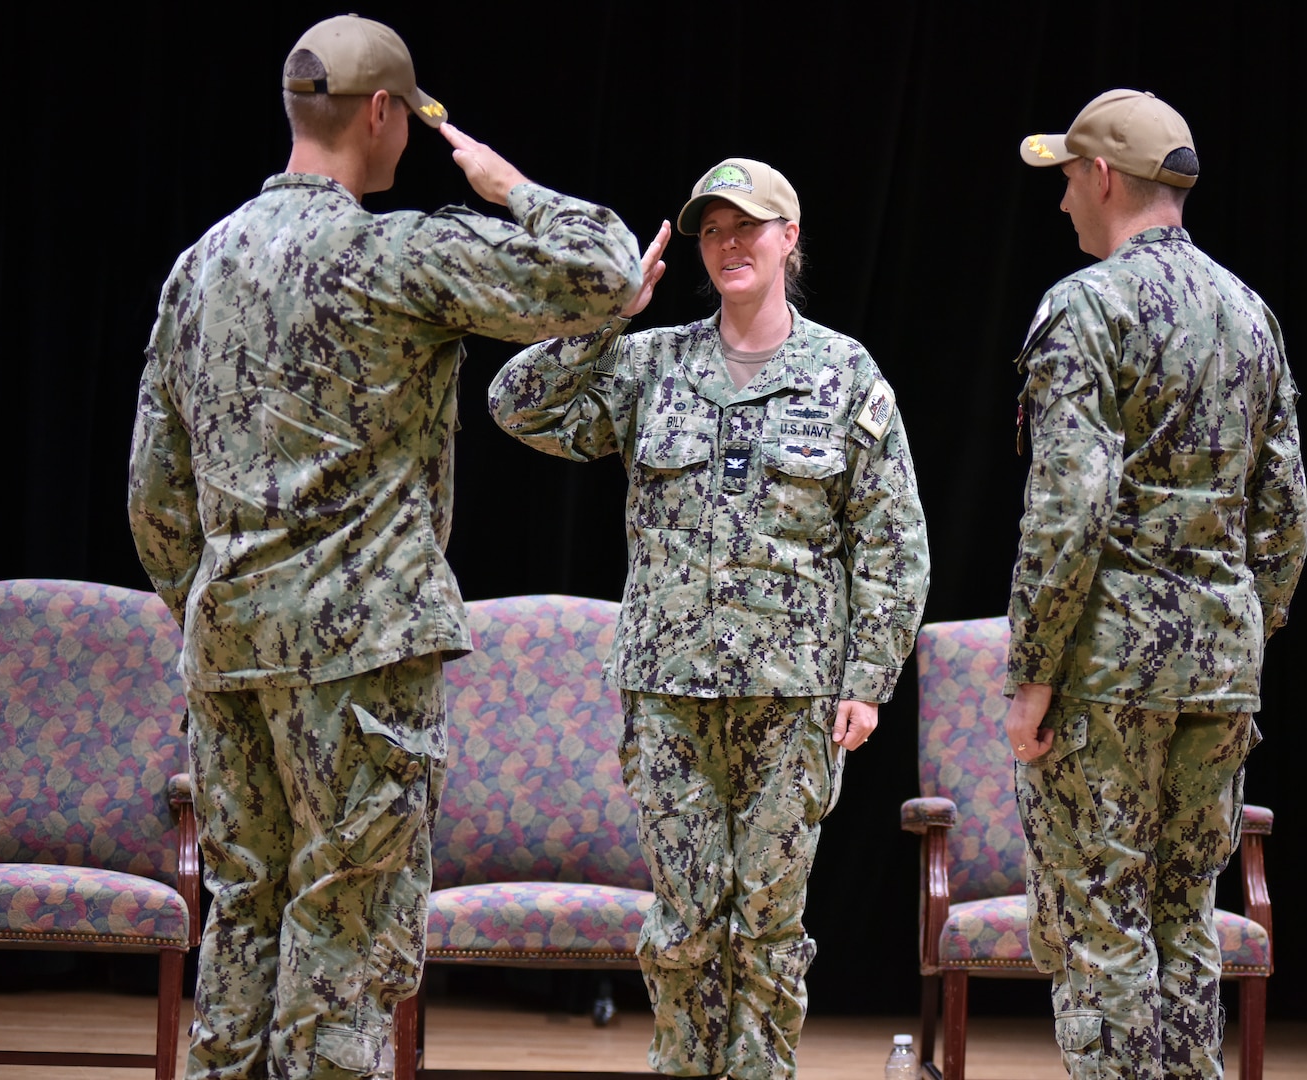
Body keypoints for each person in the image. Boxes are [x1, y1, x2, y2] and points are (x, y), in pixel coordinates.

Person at [127, 14, 641, 1080]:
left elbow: (155, 490)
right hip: (360, 658)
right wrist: (510, 187)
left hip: (227, 649)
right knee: (345, 930)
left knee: (246, 918)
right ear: (381, 113)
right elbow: (600, 270)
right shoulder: (394, 255)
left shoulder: (199, 266)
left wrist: (207, 597)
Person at [489, 158, 930, 1078]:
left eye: (750, 226)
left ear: (789, 239)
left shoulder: (844, 374)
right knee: (684, 919)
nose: (730, 244)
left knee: (768, 921)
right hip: (668, 691)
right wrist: (610, 313)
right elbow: (515, 404)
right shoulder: (654, 363)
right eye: (713, 229)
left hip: (793, 693)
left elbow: (892, 542)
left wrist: (867, 681)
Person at [1003, 90, 1307, 1080]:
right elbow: (1285, 513)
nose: (1059, 206)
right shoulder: (1249, 313)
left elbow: (1066, 509)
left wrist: (1034, 673)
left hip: (1105, 670)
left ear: (1100, 178)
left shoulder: (1084, 308)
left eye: (1064, 182)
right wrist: (1240, 632)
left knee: (1099, 928)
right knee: (1184, 922)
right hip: (1218, 669)